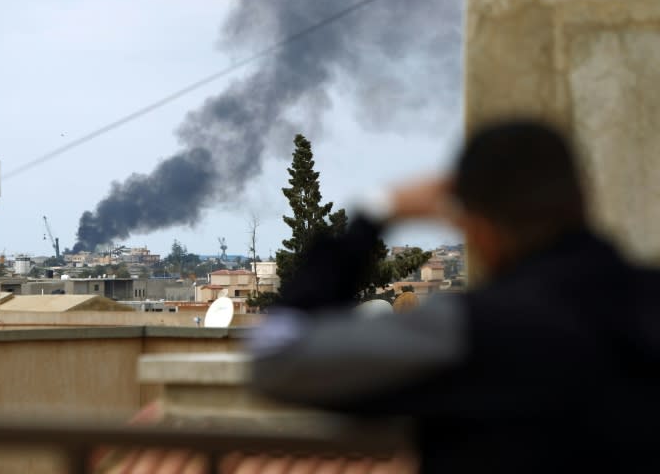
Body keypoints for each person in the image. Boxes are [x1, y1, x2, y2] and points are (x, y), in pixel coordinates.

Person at [249, 119, 659, 474]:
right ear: (582, 200)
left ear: (479, 226)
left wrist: (376, 213)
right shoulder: (646, 300)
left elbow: (276, 354)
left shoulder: (474, 328)